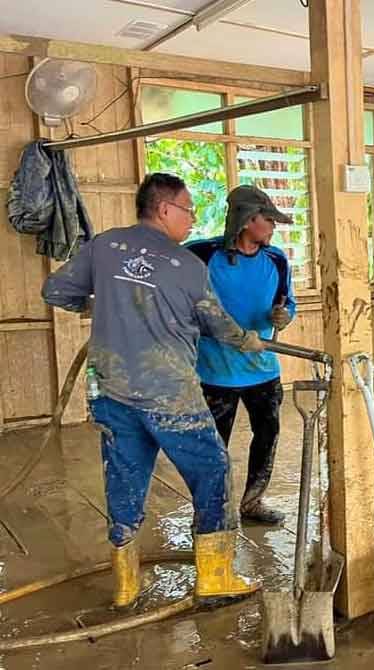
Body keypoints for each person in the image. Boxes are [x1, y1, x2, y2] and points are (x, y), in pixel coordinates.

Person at [42, 173, 264, 608]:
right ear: (165, 209)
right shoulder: (186, 266)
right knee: (212, 470)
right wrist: (247, 340)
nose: (192, 219)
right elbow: (215, 323)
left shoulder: (105, 246)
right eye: (188, 210)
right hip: (170, 395)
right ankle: (216, 579)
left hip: (112, 393)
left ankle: (126, 586)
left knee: (124, 477)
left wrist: (99, 301)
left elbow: (54, 291)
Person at [186, 185, 296, 526]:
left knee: (267, 435)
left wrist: (285, 316)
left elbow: (287, 302)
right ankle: (211, 510)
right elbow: (180, 304)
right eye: (268, 219)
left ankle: (253, 501)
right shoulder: (200, 255)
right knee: (212, 447)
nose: (273, 227)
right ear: (247, 221)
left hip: (263, 369)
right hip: (214, 373)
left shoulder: (276, 259)